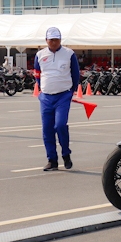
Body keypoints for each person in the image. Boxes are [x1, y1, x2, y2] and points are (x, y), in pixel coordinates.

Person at [34, 27, 80, 171]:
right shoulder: (40, 55)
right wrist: (42, 89)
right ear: (46, 40)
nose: (54, 42)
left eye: (56, 40)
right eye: (51, 40)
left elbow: (75, 74)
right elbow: (37, 74)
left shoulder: (69, 54)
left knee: (60, 125)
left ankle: (66, 154)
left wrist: (71, 91)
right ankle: (52, 160)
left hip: (63, 95)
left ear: (60, 40)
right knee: (47, 129)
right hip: (46, 97)